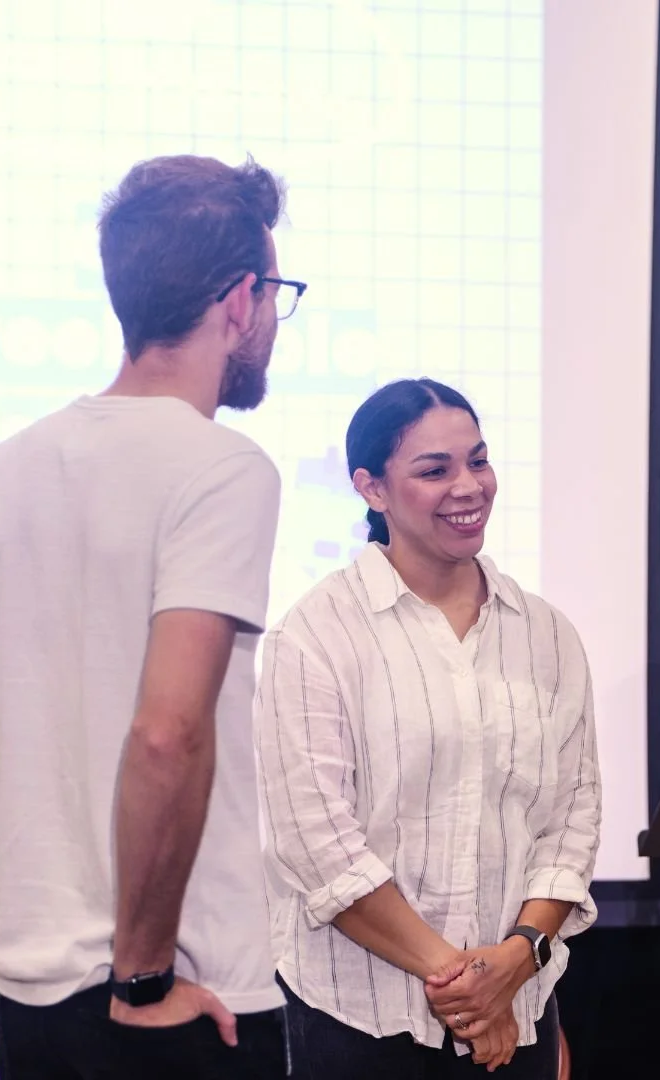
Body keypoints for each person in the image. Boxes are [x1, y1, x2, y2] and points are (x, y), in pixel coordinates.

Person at [0, 154, 304, 1077]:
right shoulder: (222, 468)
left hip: (23, 975)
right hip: (174, 988)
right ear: (240, 301)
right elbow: (167, 734)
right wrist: (145, 978)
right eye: (276, 293)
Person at [254, 377, 601, 1079]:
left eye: (478, 460)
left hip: (521, 1009)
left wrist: (515, 961)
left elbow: (573, 821)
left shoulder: (547, 635)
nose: (469, 486)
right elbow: (319, 847)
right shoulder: (313, 637)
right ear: (372, 489)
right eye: (434, 470)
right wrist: (470, 989)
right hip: (359, 1023)